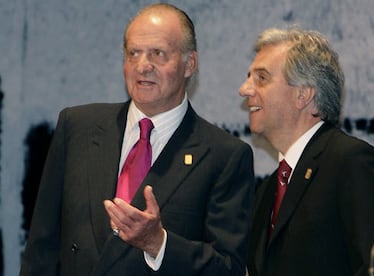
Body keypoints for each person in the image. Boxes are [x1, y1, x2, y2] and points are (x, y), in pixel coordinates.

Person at [20, 3, 255, 275]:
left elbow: (229, 268)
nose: (143, 66)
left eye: (157, 54)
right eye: (133, 53)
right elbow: (41, 247)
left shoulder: (224, 156)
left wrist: (159, 244)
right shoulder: (77, 127)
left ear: (189, 64)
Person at [239, 27, 374, 276]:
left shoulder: (352, 163)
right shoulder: (268, 190)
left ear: (303, 94)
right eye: (249, 77)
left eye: (262, 78)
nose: (244, 89)